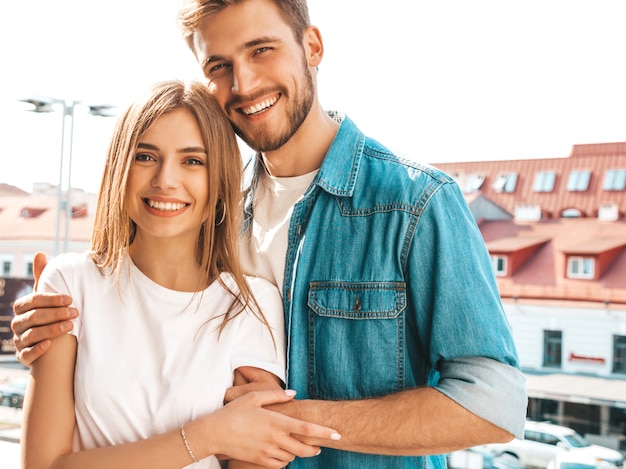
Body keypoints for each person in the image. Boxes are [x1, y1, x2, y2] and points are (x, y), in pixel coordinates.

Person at [13, 0, 528, 467]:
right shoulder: (215, 213)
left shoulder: (414, 201)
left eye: (262, 50)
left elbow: (493, 402)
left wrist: (280, 422)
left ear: (313, 46)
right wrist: (54, 323)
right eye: (219, 66)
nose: (244, 83)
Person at [19, 79, 340, 469]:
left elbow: (256, 452)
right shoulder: (70, 285)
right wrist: (208, 435)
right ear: (120, 166)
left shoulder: (252, 305)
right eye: (145, 156)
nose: (165, 180)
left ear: (220, 182)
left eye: (193, 161)